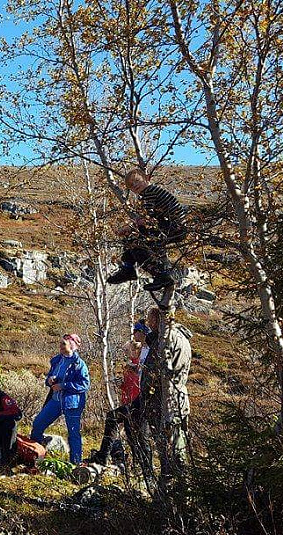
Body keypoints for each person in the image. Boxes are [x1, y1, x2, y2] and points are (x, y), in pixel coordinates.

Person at [107, 169, 189, 292]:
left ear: (146, 178)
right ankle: (129, 269)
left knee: (138, 244)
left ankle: (159, 274)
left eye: (136, 181)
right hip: (172, 226)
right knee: (135, 241)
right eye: (131, 185)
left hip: (173, 226)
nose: (134, 185)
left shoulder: (149, 192)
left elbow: (146, 218)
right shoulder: (152, 192)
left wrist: (130, 228)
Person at [91, 322, 153, 473]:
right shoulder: (136, 358)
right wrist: (121, 383)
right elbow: (129, 383)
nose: (134, 334)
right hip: (131, 401)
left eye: (136, 331)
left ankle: (104, 456)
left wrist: (135, 370)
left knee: (119, 422)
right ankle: (141, 469)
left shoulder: (147, 355)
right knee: (133, 437)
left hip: (141, 400)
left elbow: (145, 377)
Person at [30, 334, 90, 465]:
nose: (61, 347)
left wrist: (63, 386)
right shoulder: (57, 360)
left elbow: (85, 384)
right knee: (38, 424)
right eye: (60, 344)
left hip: (72, 403)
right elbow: (50, 377)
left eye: (64, 344)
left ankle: (75, 464)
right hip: (56, 401)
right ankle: (34, 456)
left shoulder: (79, 364)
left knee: (73, 433)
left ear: (72, 345)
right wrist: (49, 380)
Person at [158, 310, 194, 478]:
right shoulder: (183, 337)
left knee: (175, 439)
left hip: (172, 396)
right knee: (178, 436)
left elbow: (167, 371)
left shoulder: (169, 338)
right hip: (181, 394)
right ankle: (179, 476)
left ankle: (178, 478)